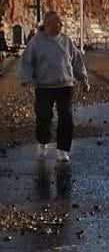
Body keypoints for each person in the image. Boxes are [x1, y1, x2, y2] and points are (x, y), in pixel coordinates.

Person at [18, 11, 90, 163]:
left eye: (61, 23)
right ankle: (43, 143)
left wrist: (83, 79)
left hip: (65, 85)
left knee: (66, 118)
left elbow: (76, 60)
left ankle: (62, 149)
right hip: (44, 86)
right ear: (47, 24)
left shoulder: (66, 40)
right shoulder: (36, 42)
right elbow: (27, 61)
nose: (61, 26)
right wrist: (25, 78)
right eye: (58, 23)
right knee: (43, 116)